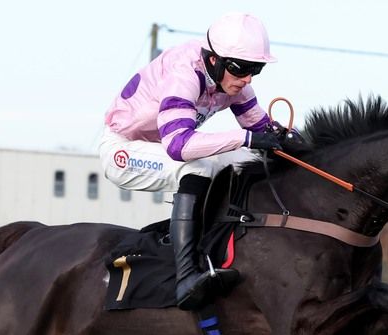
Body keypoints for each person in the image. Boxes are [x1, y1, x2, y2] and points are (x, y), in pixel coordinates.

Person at [100, 12, 296, 310]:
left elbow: (260, 128)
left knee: (240, 162)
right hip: (124, 151)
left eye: (256, 69)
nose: (247, 78)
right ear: (214, 59)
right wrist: (246, 138)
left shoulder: (232, 80)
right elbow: (178, 146)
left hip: (161, 147)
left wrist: (295, 141)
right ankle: (186, 278)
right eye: (241, 68)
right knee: (196, 166)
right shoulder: (184, 74)